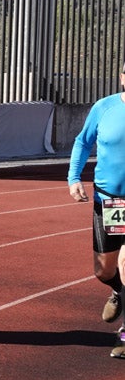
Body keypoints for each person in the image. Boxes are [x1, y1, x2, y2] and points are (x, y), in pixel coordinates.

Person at [67, 61, 125, 359]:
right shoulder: (104, 108)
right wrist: (74, 177)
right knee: (104, 270)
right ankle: (117, 291)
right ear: (122, 77)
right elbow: (82, 142)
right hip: (110, 202)